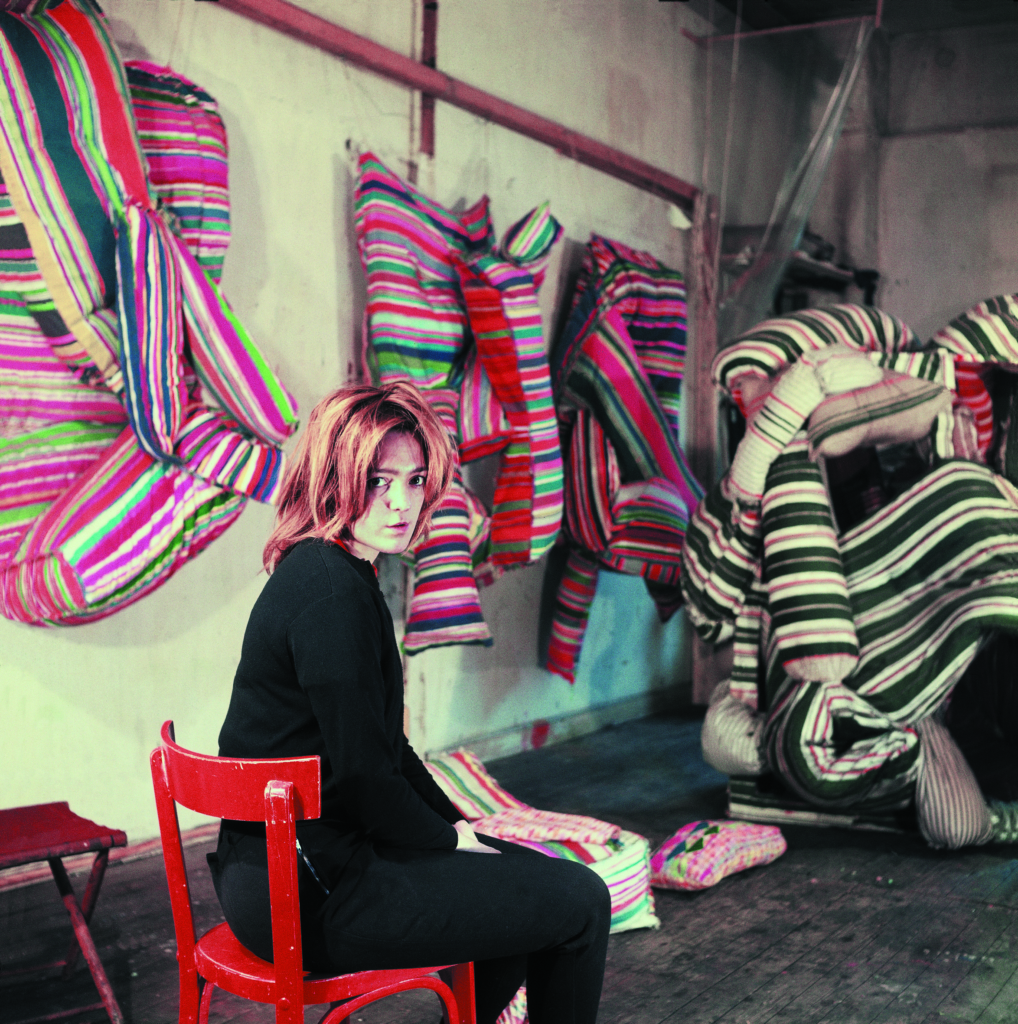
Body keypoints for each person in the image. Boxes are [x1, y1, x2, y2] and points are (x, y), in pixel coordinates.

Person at [209, 381, 611, 1024]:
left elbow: (384, 751)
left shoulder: (331, 570)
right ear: (332, 477)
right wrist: (448, 841)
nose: (401, 503)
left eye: (416, 479)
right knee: (582, 900)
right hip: (306, 893)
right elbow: (370, 779)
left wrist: (459, 828)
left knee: (520, 889)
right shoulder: (332, 594)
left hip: (286, 871)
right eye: (377, 480)